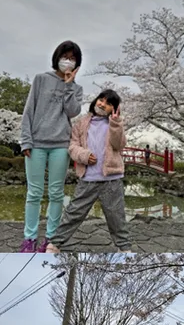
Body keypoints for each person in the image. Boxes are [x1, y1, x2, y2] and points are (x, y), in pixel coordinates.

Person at [19, 40, 84, 253]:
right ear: (57, 57)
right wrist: (26, 141)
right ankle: (29, 239)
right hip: (36, 143)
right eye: (65, 56)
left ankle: (50, 238)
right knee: (34, 193)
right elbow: (29, 111)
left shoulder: (76, 88)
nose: (68, 61)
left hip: (60, 145)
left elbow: (72, 112)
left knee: (56, 193)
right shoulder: (40, 80)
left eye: (73, 58)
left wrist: (68, 85)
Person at [47, 90, 130, 254]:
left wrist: (116, 123)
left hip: (111, 178)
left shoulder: (115, 123)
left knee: (116, 217)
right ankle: (55, 244)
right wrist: (84, 155)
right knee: (74, 212)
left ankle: (124, 247)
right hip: (88, 178)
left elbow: (119, 145)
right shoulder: (81, 123)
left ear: (113, 109)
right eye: (101, 100)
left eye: (108, 103)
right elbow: (72, 146)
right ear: (95, 100)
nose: (102, 104)